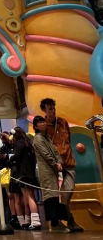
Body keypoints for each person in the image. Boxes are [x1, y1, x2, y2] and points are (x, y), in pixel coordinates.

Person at [41, 97, 84, 232]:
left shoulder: (63, 122)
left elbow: (68, 138)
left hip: (68, 162)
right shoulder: (44, 126)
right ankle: (67, 221)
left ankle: (66, 219)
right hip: (55, 165)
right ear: (44, 110)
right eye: (50, 109)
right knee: (58, 195)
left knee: (68, 190)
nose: (53, 111)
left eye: (54, 108)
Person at [33, 115, 69, 233]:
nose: (43, 124)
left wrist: (59, 162)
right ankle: (54, 224)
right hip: (46, 172)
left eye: (43, 122)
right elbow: (46, 155)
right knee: (50, 197)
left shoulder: (46, 137)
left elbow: (55, 152)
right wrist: (55, 164)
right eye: (40, 123)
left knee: (56, 197)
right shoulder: (38, 138)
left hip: (53, 171)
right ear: (35, 126)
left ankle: (57, 222)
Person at [9, 127, 41, 230]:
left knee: (29, 197)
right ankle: (29, 221)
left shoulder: (19, 143)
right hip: (30, 172)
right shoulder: (28, 143)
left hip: (23, 173)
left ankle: (35, 222)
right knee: (30, 197)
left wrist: (10, 159)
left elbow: (17, 156)